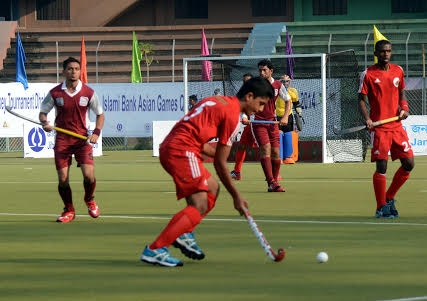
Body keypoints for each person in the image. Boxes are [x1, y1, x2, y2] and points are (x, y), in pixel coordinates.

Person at [140, 76, 273, 267]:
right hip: (182, 151)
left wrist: (216, 153)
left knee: (212, 188)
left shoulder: (215, 101)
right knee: (200, 204)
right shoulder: (233, 115)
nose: (260, 110)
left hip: (175, 146)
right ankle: (156, 249)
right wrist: (236, 196)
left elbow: (201, 140)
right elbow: (220, 163)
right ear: (249, 96)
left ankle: (184, 233)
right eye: (260, 104)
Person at [39, 57, 105, 223]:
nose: (74, 71)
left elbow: (100, 114)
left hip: (82, 140)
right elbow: (43, 113)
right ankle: (69, 210)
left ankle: (89, 199)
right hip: (62, 141)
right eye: (70, 69)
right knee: (63, 179)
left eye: (76, 68)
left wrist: (96, 132)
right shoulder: (55, 93)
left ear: (79, 71)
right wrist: (44, 123)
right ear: (64, 71)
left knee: (89, 176)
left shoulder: (88, 92)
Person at [358, 39, 414, 218]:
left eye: (388, 51)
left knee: (409, 163)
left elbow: (402, 92)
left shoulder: (398, 71)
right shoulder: (368, 74)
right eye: (382, 51)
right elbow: (361, 99)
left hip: (396, 125)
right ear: (376, 54)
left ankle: (389, 198)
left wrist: (404, 107)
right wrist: (367, 119)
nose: (386, 54)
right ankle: (380, 207)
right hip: (379, 127)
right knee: (382, 167)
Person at [252, 59, 291, 192]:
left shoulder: (278, 85)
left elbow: (288, 101)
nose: (261, 73)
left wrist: (285, 116)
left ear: (271, 71)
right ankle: (271, 181)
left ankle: (272, 184)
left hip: (272, 122)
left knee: (276, 152)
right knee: (266, 148)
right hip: (258, 123)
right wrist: (245, 117)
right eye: (260, 70)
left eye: (264, 70)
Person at [231, 73, 255, 180]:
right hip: (249, 126)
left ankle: (274, 174)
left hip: (260, 125)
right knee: (241, 146)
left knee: (266, 148)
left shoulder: (258, 92)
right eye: (245, 81)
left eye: (248, 81)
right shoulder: (242, 94)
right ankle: (237, 172)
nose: (246, 83)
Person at [276, 74, 303, 164]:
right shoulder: (276, 91)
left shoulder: (293, 91)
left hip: (289, 116)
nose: (285, 83)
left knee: (288, 134)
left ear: (290, 82)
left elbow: (297, 104)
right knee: (277, 135)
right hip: (277, 116)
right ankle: (278, 157)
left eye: (287, 81)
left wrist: (299, 114)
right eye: (283, 81)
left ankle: (287, 157)